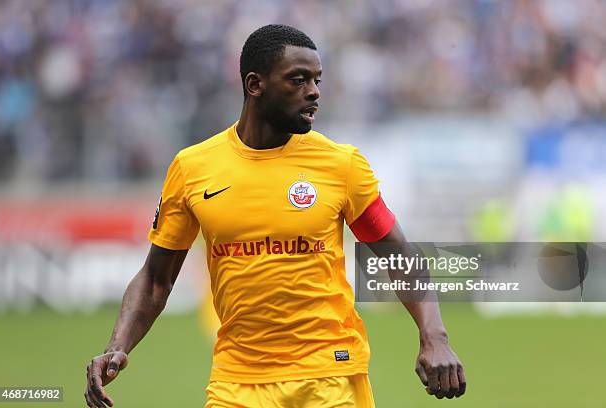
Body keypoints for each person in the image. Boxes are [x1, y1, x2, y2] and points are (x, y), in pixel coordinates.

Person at [84, 24, 466, 407]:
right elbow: (155, 280)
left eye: (317, 79)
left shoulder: (340, 165)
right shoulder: (193, 168)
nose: (314, 91)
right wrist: (118, 346)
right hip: (237, 383)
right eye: (298, 80)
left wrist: (435, 336)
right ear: (255, 85)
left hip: (330, 377)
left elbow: (400, 254)